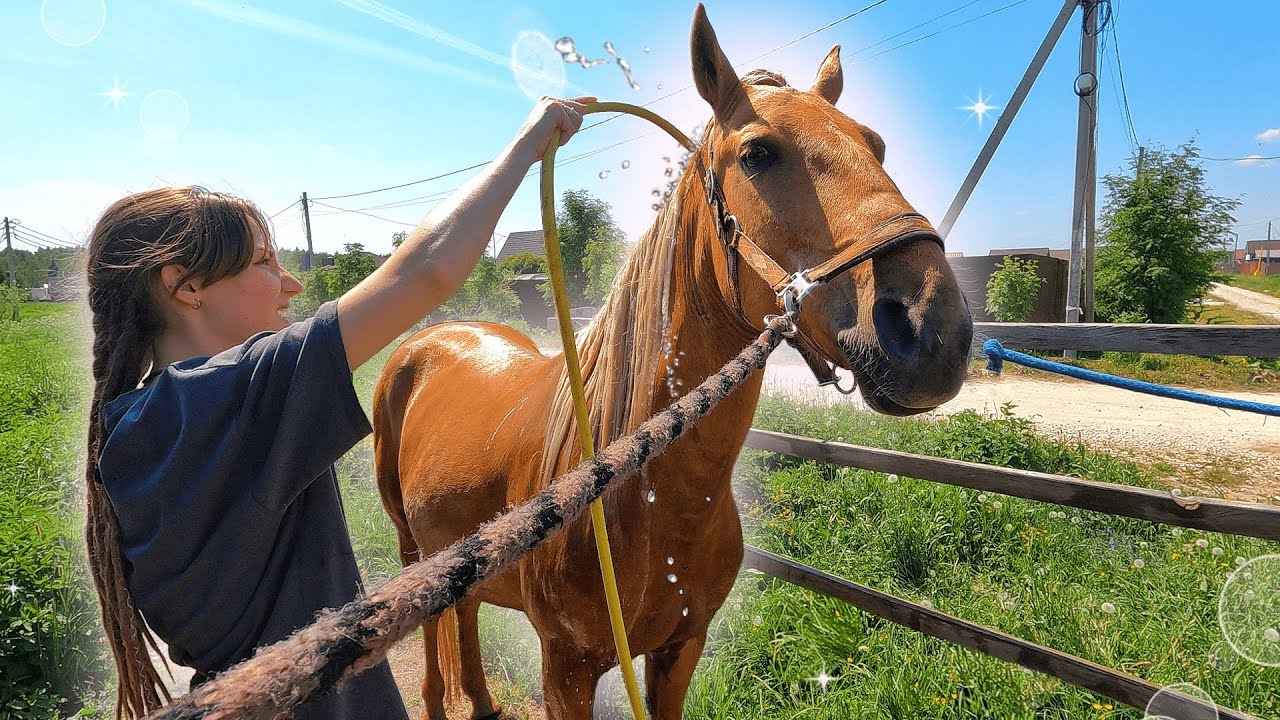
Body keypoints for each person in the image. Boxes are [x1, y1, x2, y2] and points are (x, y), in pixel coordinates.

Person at [83, 95, 595, 720]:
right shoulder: (227, 396)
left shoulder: (135, 424)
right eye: (263, 261)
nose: (291, 283)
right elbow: (425, 273)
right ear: (185, 287)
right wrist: (526, 144)